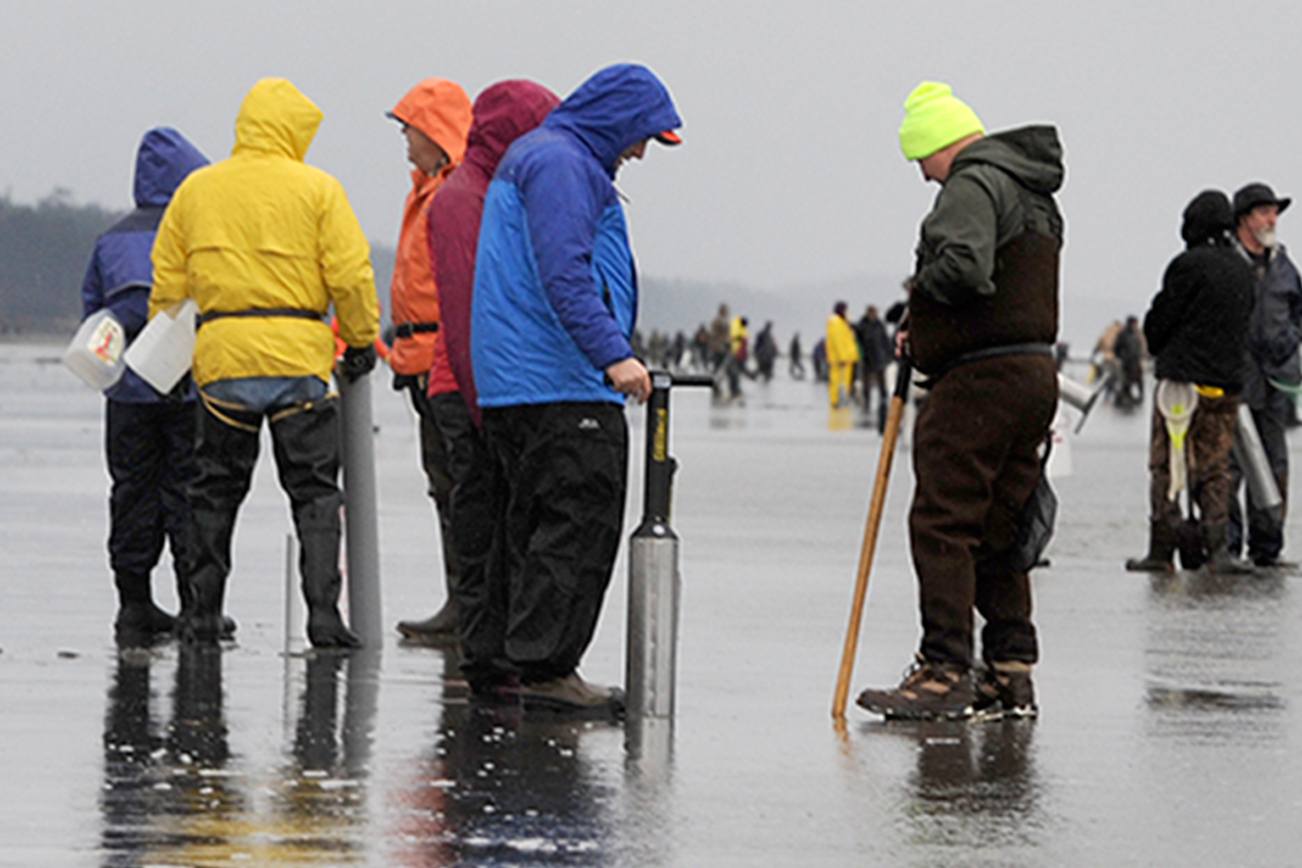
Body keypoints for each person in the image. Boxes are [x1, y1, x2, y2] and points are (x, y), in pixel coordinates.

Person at [471, 63, 682, 712]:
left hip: (520, 383)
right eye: (642, 136)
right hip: (559, 381)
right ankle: (546, 670)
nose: (640, 152)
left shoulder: (542, 157)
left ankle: (506, 661)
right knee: (576, 525)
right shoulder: (563, 164)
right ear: (617, 119)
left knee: (525, 527)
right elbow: (564, 271)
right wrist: (612, 354)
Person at [857, 81, 1063, 720]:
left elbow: (967, 267)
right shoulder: (1032, 190)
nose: (923, 174)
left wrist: (919, 294)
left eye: (921, 158)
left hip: (978, 381)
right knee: (1002, 527)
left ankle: (944, 670)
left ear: (940, 142)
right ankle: (1010, 671)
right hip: (1033, 373)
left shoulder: (972, 183)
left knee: (943, 521)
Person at [150, 78, 381, 647]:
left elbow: (168, 286)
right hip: (299, 360)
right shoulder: (319, 189)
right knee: (315, 493)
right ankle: (323, 616)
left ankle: (202, 613)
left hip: (223, 360)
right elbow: (351, 274)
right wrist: (359, 340)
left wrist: (172, 360)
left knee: (212, 492)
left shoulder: (197, 190)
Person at [424, 78, 559, 697]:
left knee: (503, 520)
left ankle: (497, 650)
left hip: (491, 383)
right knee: (481, 519)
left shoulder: (496, 190)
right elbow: (462, 311)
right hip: (470, 388)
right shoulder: (462, 199)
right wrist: (483, 406)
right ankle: (486, 655)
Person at [80, 127, 212, 646]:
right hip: (186, 388)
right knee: (188, 493)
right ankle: (195, 607)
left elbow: (94, 315)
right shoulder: (196, 232)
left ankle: (133, 604)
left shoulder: (110, 239)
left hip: (126, 393)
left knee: (131, 491)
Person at [381, 77, 474, 644]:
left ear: (435, 132)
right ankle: (461, 601)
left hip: (444, 359)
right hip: (419, 357)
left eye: (409, 128)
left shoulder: (452, 194)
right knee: (443, 483)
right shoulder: (426, 191)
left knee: (458, 483)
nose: (405, 140)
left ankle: (468, 605)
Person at [1125, 191, 1255, 574]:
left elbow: (1160, 323)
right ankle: (1218, 550)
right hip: (1225, 386)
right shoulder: (1242, 269)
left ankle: (1162, 550)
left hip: (1180, 386)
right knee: (1215, 467)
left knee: (1167, 464)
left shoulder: (1188, 266)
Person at [1227, 182, 1302, 568]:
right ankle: (1227, 546)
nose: (1272, 219)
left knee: (1275, 464)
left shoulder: (1285, 267)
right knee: (1230, 465)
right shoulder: (1227, 262)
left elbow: (1298, 315)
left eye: (1274, 212)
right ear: (1244, 219)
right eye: (1264, 212)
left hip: (1276, 381)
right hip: (1234, 381)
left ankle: (1268, 546)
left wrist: (1287, 344)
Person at [856, 304, 893, 431]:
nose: (873, 315)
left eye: (875, 313)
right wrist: (861, 354)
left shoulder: (879, 325)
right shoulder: (861, 326)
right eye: (871, 313)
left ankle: (884, 401)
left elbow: (885, 340)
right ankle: (866, 403)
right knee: (866, 383)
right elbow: (858, 341)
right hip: (867, 359)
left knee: (882, 382)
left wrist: (889, 354)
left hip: (879, 358)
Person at [825, 301, 859, 408]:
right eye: (845, 309)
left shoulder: (842, 322)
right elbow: (838, 341)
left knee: (844, 382)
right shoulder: (836, 323)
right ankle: (836, 402)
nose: (847, 312)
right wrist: (842, 357)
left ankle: (841, 401)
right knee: (838, 381)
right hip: (841, 360)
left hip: (846, 359)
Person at [1113, 315, 1145, 408]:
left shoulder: (1135, 334)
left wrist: (1140, 357)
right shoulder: (1123, 334)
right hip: (1127, 363)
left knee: (1138, 380)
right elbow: (1116, 348)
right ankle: (1122, 399)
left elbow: (1138, 347)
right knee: (1126, 381)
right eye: (1135, 323)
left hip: (1135, 362)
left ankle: (1137, 397)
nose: (1136, 326)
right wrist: (1123, 357)